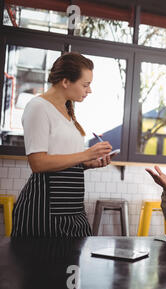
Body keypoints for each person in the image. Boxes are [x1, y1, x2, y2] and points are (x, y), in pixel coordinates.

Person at [11, 52, 113, 238]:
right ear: (66, 82)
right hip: (45, 211)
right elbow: (38, 163)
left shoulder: (67, 112)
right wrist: (85, 154)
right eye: (85, 85)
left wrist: (86, 164)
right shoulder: (38, 107)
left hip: (72, 210)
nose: (89, 91)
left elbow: (61, 158)